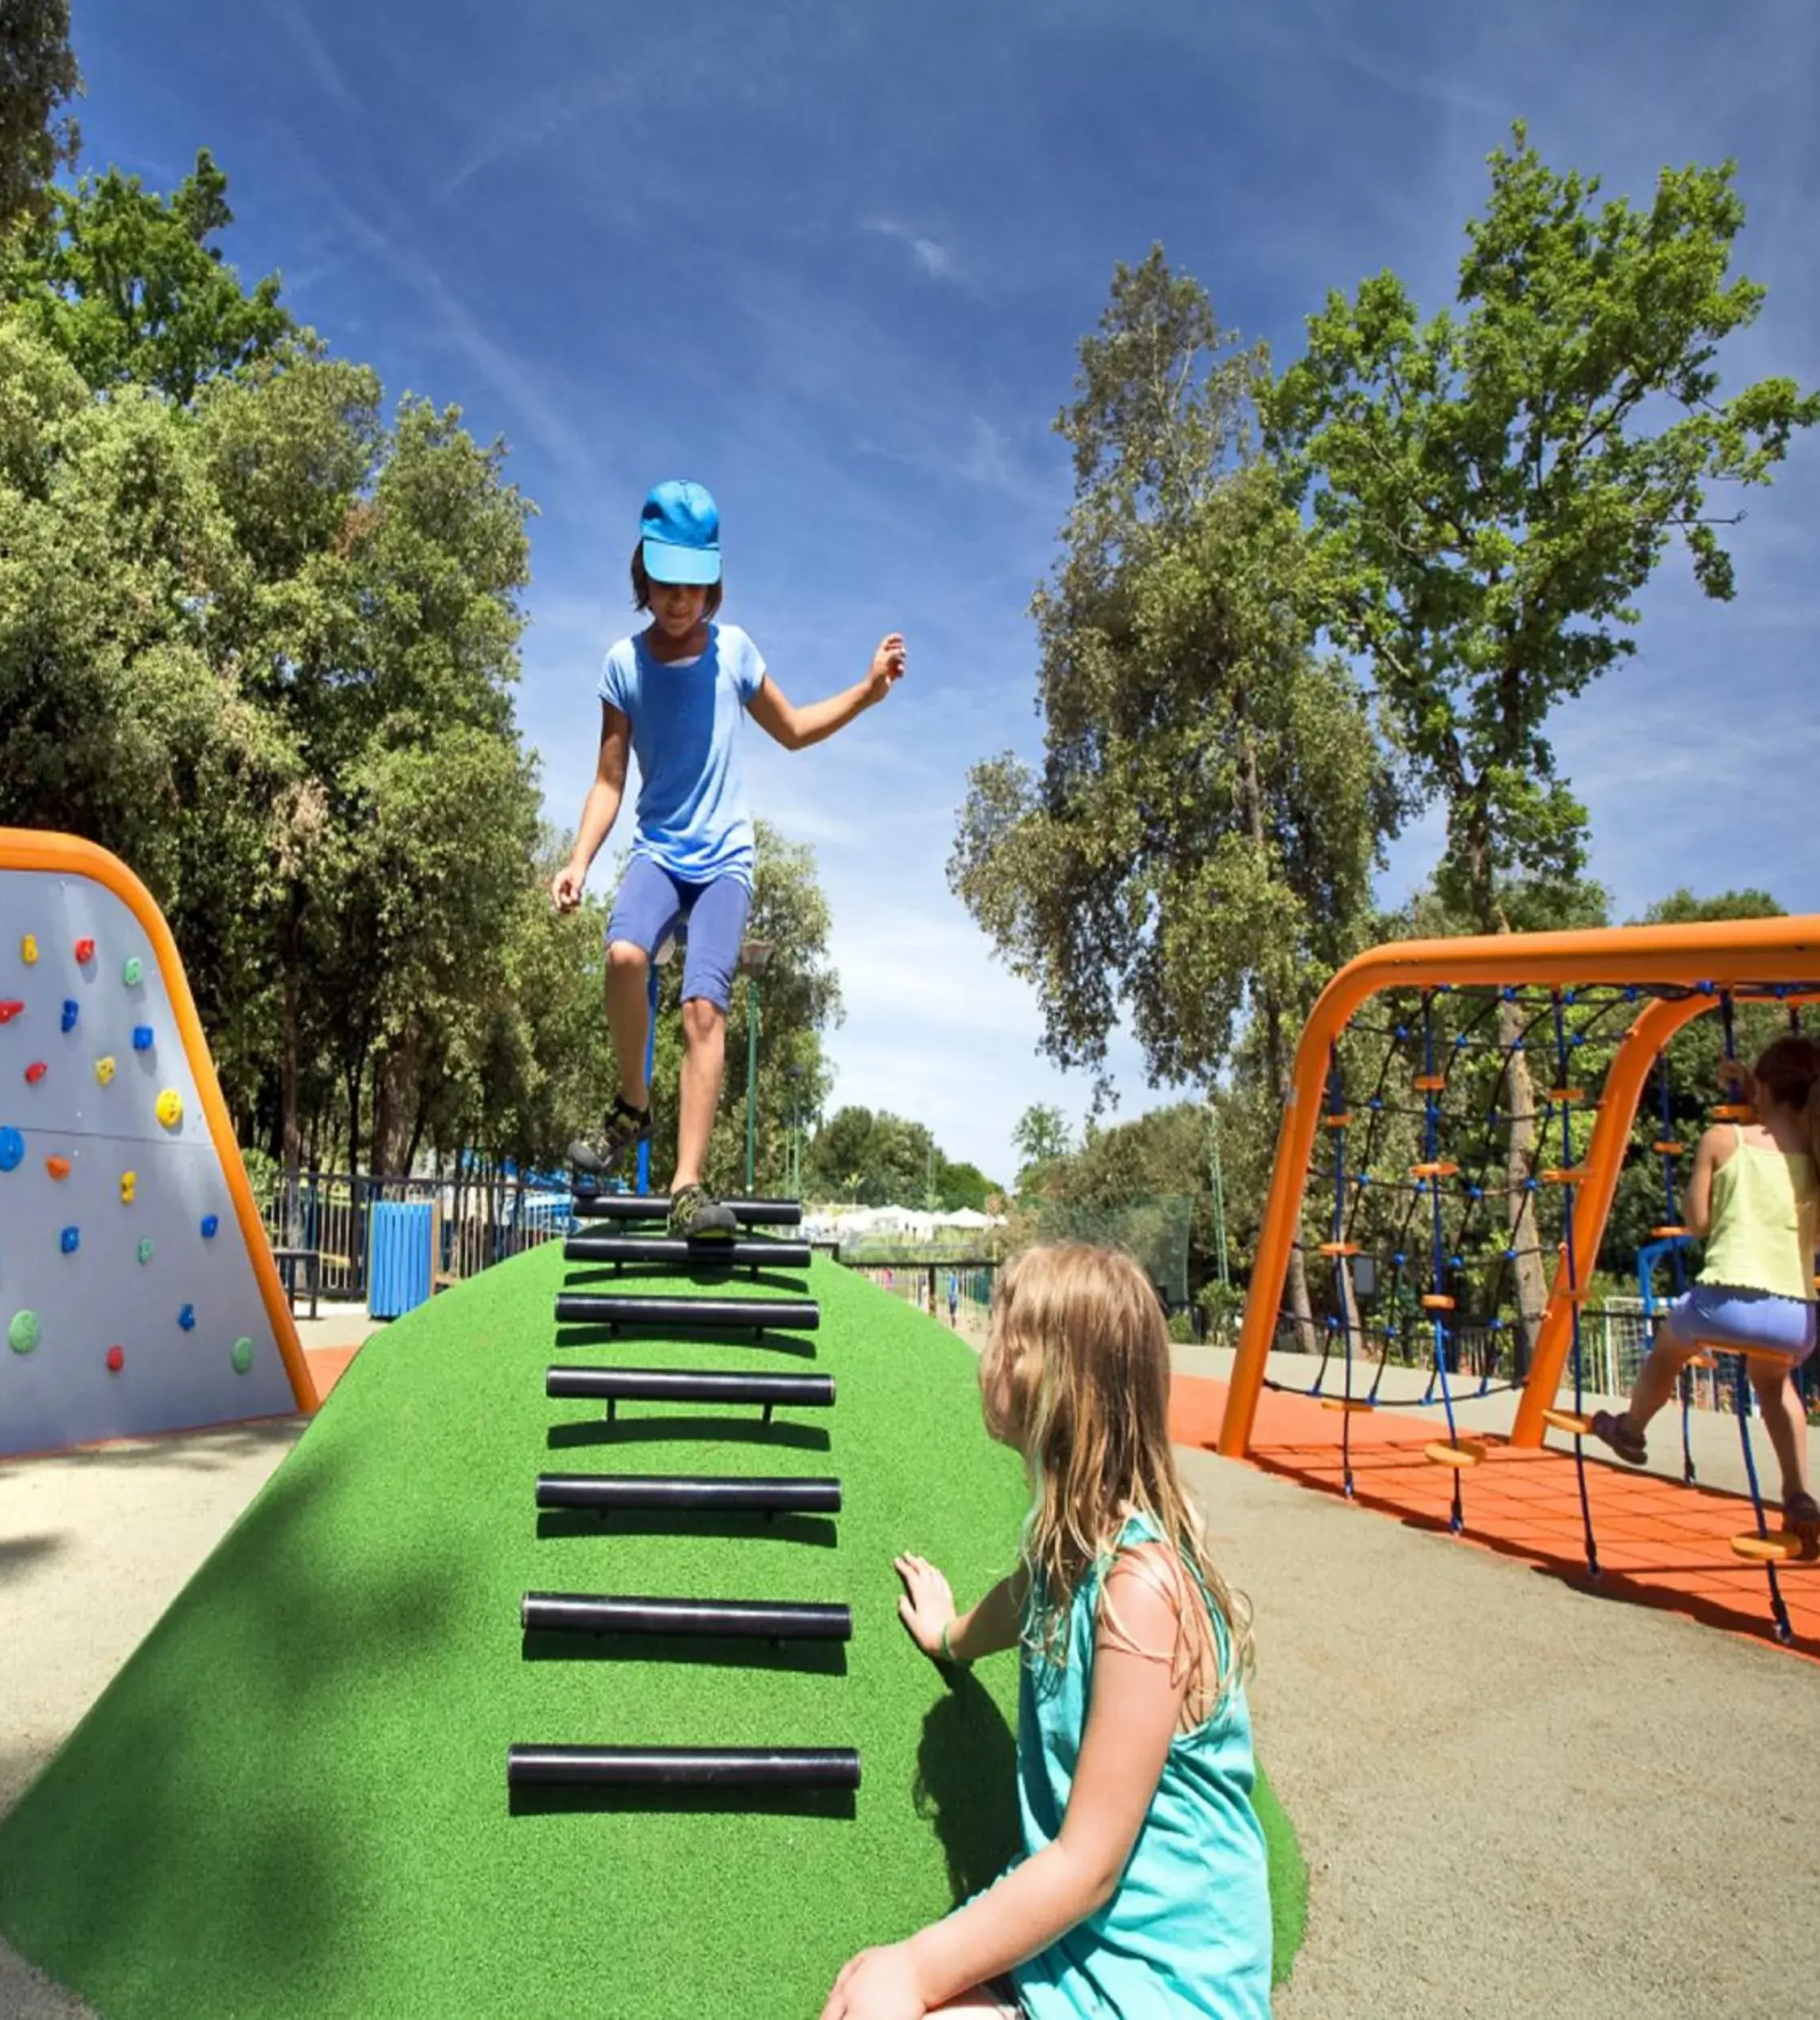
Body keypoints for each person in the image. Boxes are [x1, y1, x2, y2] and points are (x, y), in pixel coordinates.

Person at [824, 1244, 1271, 2019]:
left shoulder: (1140, 1591)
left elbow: (1088, 1867)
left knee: (881, 2000)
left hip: (1165, 1978)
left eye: (1006, 1336)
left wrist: (916, 1968)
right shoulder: (1067, 1550)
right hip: (1082, 1941)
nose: (988, 1354)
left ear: (1054, 1384)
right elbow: (1018, 1601)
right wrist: (949, 1636)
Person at [552, 480, 903, 1239]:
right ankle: (631, 1106)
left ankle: (686, 1187)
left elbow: (796, 728)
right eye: (666, 582)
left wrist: (868, 693)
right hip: (657, 850)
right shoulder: (623, 665)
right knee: (621, 956)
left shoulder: (733, 651)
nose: (680, 600)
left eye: (694, 583)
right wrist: (580, 858)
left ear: (712, 579)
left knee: (703, 1007)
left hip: (723, 863)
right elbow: (609, 779)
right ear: (642, 573)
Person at [1593, 1033, 1820, 1553]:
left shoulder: (1722, 1140)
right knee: (1775, 1385)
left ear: (1767, 1087)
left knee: (1668, 1348)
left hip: (1724, 1304)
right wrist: (1754, 1086)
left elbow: (1700, 1221)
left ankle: (1632, 1429)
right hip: (1793, 1317)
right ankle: (1798, 1492)